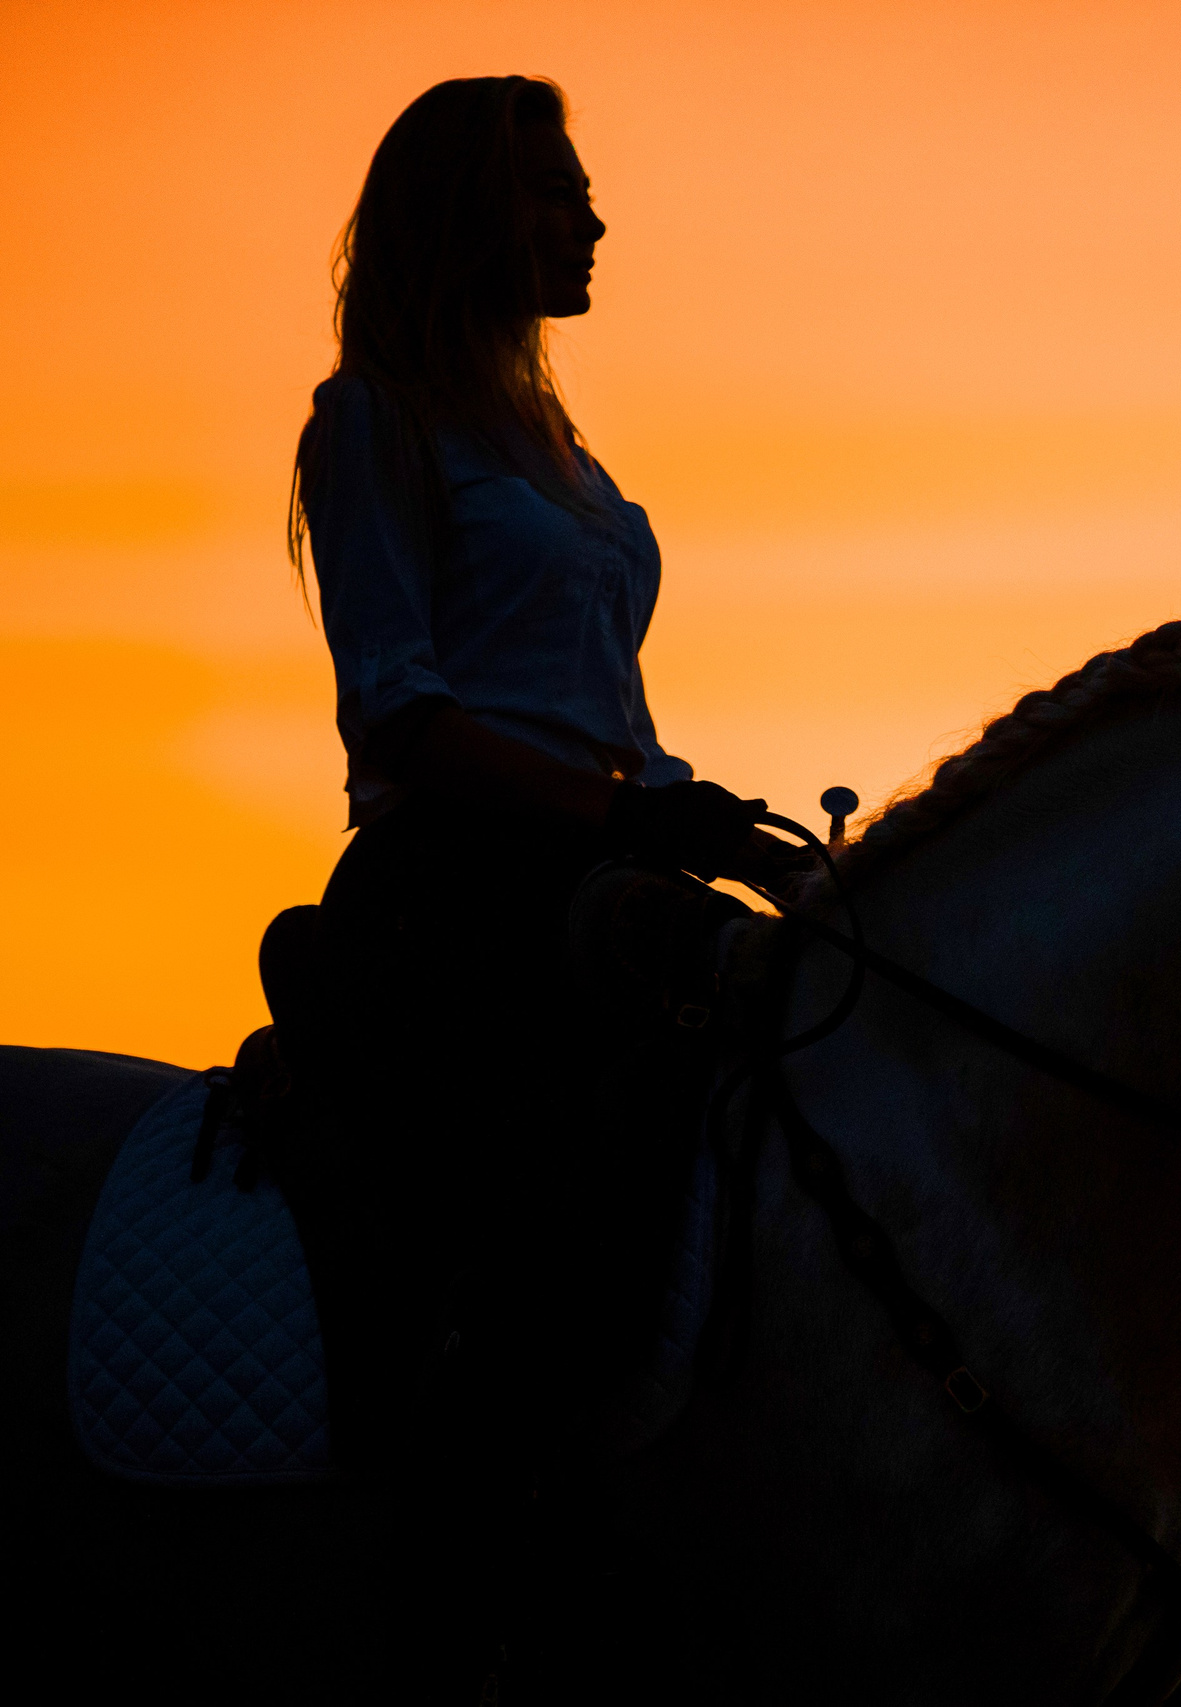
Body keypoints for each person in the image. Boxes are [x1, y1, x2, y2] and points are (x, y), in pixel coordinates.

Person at [286, 76, 777, 1465]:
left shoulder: (569, 456)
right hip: (467, 888)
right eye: (558, 193)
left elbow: (598, 701)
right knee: (548, 1224)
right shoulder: (375, 422)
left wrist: (701, 819)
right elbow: (400, 718)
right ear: (469, 215)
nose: (595, 220)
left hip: (601, 854)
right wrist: (629, 813)